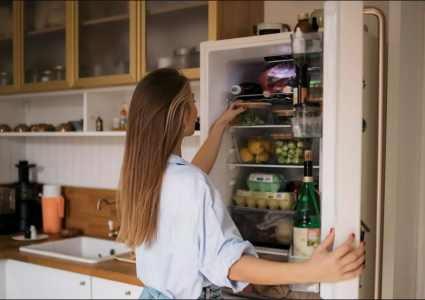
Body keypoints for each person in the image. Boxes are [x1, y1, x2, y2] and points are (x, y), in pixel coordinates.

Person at [116, 69, 365, 300]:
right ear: (180, 115)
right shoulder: (190, 184)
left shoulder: (143, 176)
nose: (196, 109)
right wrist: (310, 270)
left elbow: (191, 183)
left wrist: (221, 126)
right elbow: (230, 264)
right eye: (192, 101)